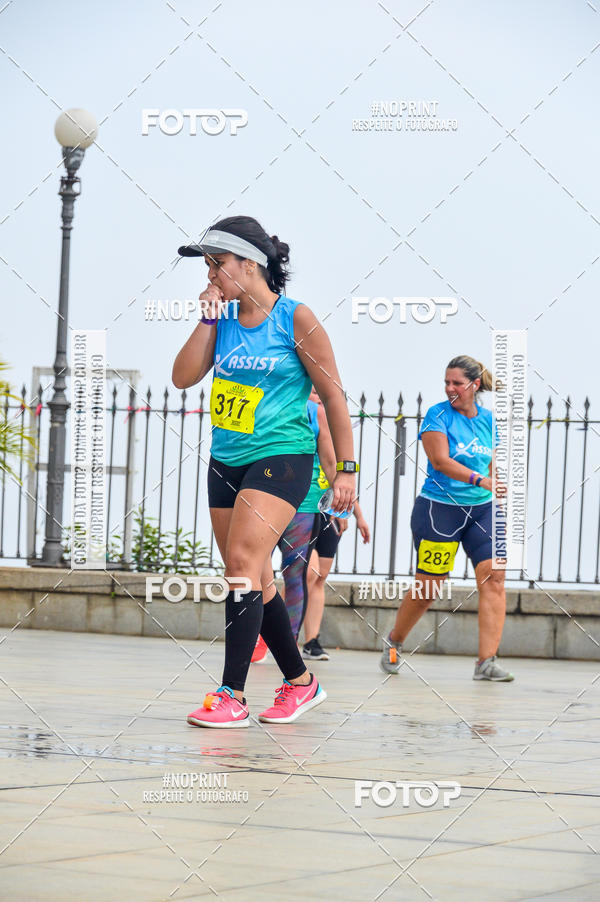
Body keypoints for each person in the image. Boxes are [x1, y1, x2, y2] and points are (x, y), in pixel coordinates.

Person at [172, 216, 358, 727]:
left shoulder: (295, 319)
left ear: (249, 265)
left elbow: (335, 397)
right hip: (227, 458)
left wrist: (346, 470)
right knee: (252, 576)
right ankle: (301, 683)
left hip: (282, 457)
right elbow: (183, 377)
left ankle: (232, 693)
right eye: (207, 265)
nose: (209, 275)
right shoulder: (223, 318)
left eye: (217, 264)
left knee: (240, 560)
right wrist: (207, 320)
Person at [380, 355, 514, 682]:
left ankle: (486, 662)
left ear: (474, 385)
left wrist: (497, 498)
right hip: (439, 509)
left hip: (482, 510)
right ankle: (395, 641)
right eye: (446, 382)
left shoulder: (488, 420)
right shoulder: (438, 415)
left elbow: (490, 465)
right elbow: (439, 461)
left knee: (495, 576)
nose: (450, 388)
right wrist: (479, 480)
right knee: (429, 588)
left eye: (457, 383)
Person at [252, 388, 370, 664]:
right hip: (264, 498)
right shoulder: (267, 398)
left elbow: (332, 464)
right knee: (254, 569)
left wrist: (347, 507)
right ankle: (255, 635)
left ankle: (289, 644)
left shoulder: (317, 414)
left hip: (305, 505)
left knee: (300, 575)